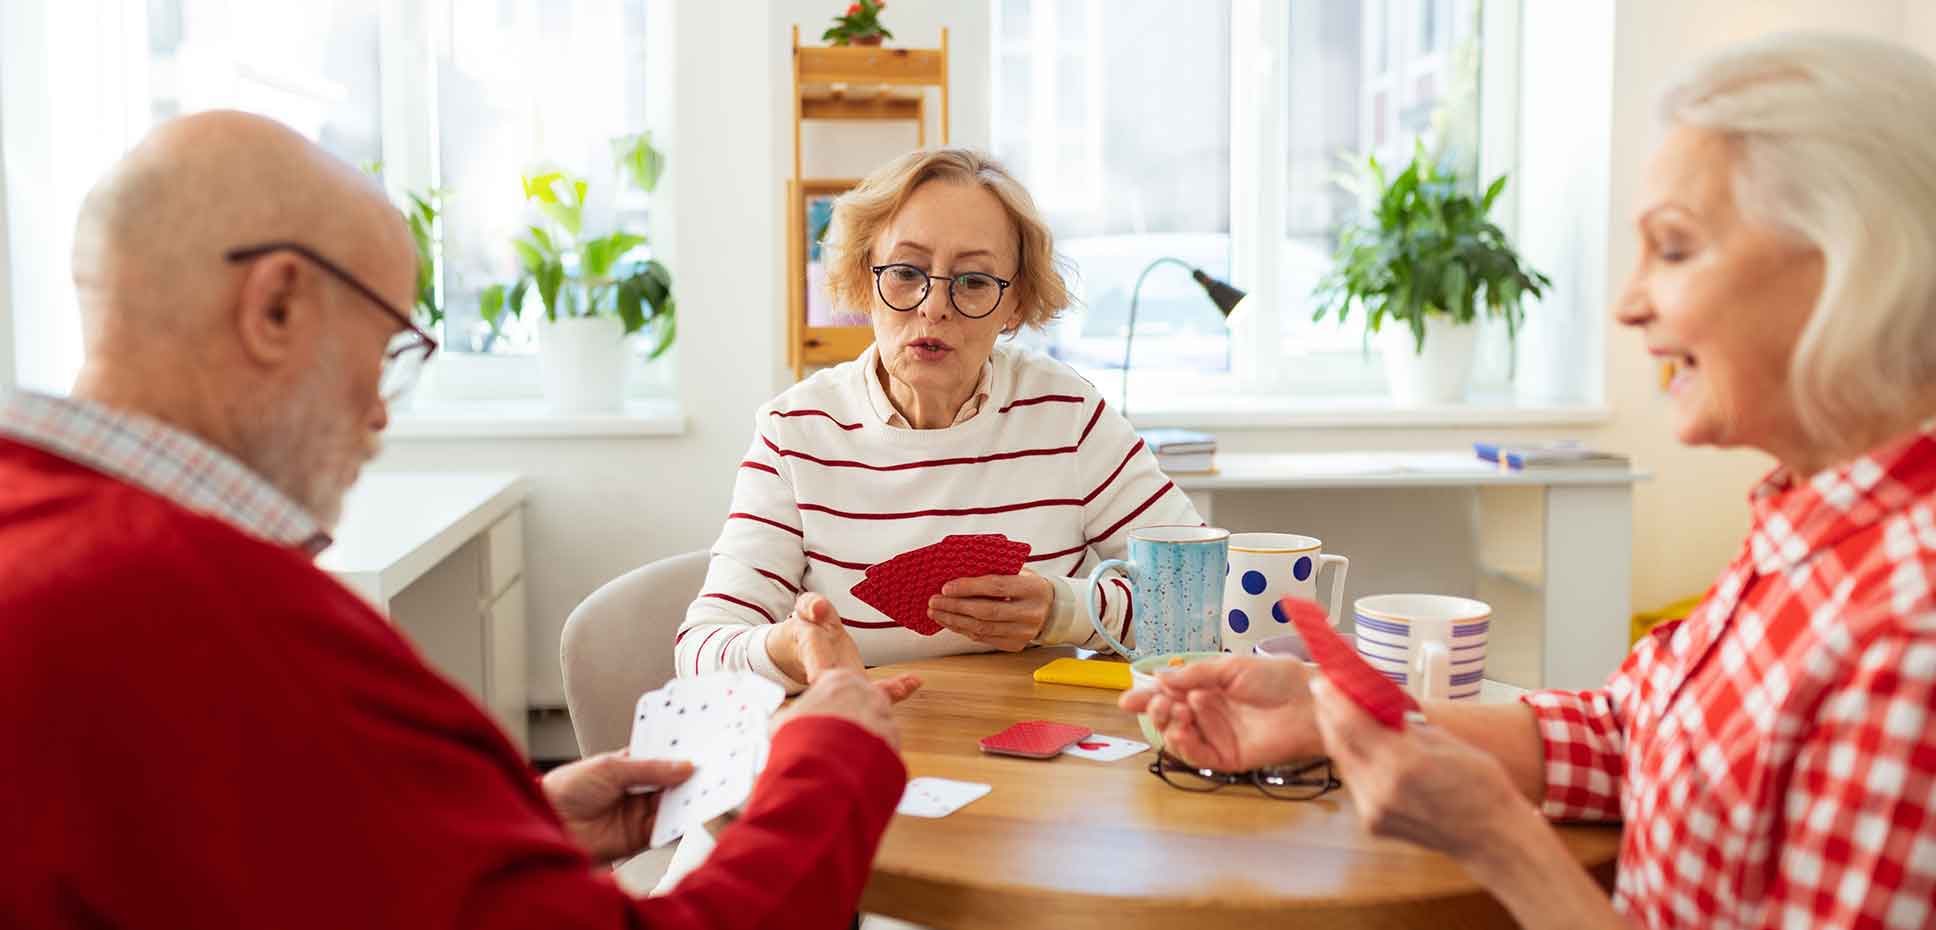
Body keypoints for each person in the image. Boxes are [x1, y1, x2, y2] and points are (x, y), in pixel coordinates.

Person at [0, 111, 910, 930]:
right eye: (389, 348)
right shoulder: (222, 618)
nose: (383, 414)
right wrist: (835, 755)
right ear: (276, 306)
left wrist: (513, 831)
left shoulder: (41, 538)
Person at [1123, 32, 1936, 930]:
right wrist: (1325, 714)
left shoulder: (1909, 631)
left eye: (1673, 249)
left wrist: (1502, 845)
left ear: (1852, 265)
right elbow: (1642, 736)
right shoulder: (1813, 523)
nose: (1628, 304)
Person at [676, 147, 1201, 689]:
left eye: (973, 281)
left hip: (1039, 748)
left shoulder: (1069, 417)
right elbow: (703, 649)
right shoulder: (795, 431)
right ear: (863, 279)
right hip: (863, 738)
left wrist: (1065, 612)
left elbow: (1203, 599)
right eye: (906, 272)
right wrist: (792, 648)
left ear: (1014, 303)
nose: (933, 306)